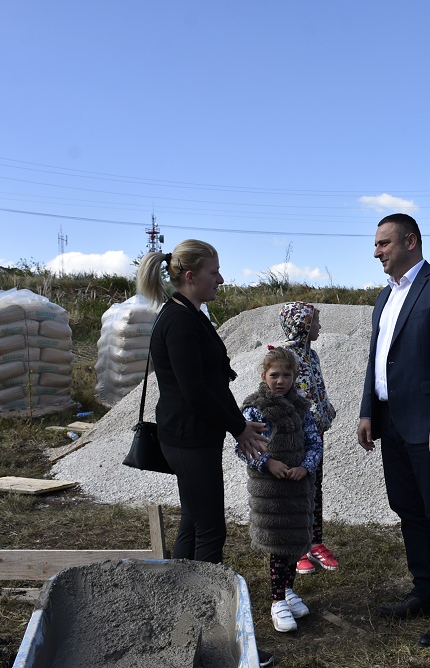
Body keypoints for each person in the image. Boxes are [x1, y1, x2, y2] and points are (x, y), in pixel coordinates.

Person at [136, 240, 274, 667]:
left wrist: (238, 424)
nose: (222, 278)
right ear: (191, 276)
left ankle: (179, 632)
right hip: (189, 440)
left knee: (194, 527)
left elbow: (213, 384)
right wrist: (238, 428)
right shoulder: (178, 321)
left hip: (194, 438)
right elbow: (196, 392)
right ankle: (205, 644)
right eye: (215, 271)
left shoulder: (189, 315)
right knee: (211, 533)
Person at [357, 213, 430, 647]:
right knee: (408, 509)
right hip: (392, 423)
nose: (376, 252)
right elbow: (377, 359)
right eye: (375, 244)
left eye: (383, 243)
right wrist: (368, 410)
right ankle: (425, 593)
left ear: (410, 241)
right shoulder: (383, 298)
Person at [238, 346, 323, 633]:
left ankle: (287, 590)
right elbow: (245, 447)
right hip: (270, 490)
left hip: (298, 488)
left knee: (295, 543)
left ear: (295, 377)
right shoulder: (255, 407)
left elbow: (314, 443)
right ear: (264, 376)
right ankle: (276, 602)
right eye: (275, 375)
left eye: (287, 375)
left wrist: (306, 467)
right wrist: (267, 463)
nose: (280, 381)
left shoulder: (302, 408)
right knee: (278, 546)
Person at [277, 302, 340, 576]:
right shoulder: (286, 357)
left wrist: (326, 408)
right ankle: (298, 547)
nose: (319, 327)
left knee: (315, 489)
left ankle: (315, 542)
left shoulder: (311, 355)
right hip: (295, 439)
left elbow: (317, 389)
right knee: (297, 491)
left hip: (316, 436)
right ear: (302, 324)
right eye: (315, 322)